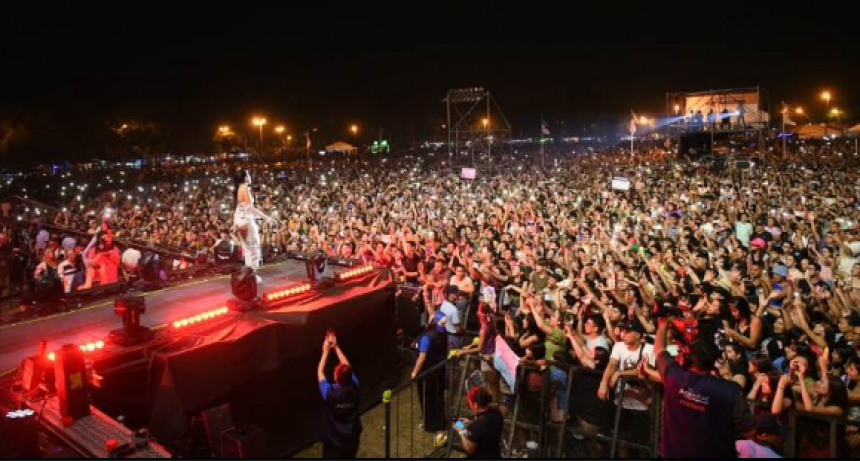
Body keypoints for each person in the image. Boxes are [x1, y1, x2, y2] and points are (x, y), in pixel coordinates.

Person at [654, 316, 752, 458]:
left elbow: (659, 350)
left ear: (689, 355)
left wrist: (664, 323)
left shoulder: (674, 376)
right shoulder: (730, 392)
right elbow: (748, 428)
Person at [317, 330, 362, 458]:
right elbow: (347, 366)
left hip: (334, 443)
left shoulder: (329, 393)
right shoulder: (355, 385)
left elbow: (320, 373)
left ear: (336, 377)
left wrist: (325, 352)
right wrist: (336, 347)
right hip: (352, 438)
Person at [233, 169, 276, 282]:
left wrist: (235, 223)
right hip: (246, 220)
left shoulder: (239, 188)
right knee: (254, 247)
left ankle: (249, 274)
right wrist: (266, 217)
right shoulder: (244, 188)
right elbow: (250, 209)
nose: (250, 176)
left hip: (241, 220)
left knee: (248, 248)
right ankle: (252, 274)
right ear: (245, 178)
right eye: (248, 175)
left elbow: (239, 208)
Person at [456, 386, 503, 459]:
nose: (470, 406)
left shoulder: (477, 424)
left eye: (470, 404)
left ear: (475, 405)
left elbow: (470, 449)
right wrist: (471, 423)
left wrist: (461, 430)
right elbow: (485, 428)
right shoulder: (497, 414)